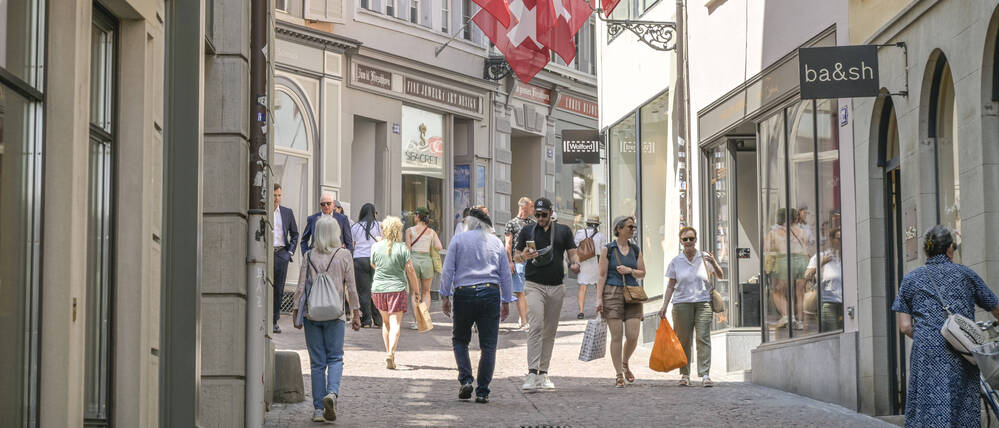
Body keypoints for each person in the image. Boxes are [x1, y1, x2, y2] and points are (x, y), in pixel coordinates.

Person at [892, 225, 999, 427]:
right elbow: (996, 307)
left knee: (926, 408)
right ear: (950, 248)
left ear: (926, 251)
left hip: (926, 354)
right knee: (964, 408)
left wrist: (928, 335)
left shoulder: (910, 280)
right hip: (961, 352)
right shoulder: (966, 274)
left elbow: (905, 326)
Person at [291, 216, 361, 423]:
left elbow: (301, 287)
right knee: (336, 358)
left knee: (317, 363)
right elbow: (352, 287)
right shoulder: (344, 255)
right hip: (336, 313)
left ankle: (318, 410)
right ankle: (332, 393)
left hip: (313, 314)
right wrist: (355, 313)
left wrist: (296, 311)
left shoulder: (309, 255)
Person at [440, 208, 514, 404]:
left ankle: (466, 379)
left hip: (464, 292)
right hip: (490, 292)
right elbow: (505, 274)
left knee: (460, 340)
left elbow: (448, 270)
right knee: (488, 345)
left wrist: (445, 295)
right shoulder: (496, 242)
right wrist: (506, 300)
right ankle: (483, 391)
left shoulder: (458, 240)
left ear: (469, 223)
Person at [513, 197, 581, 391]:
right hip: (534, 285)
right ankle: (532, 372)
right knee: (535, 326)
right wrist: (524, 256)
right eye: (538, 215)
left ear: (551, 213)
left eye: (544, 215)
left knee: (550, 331)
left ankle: (543, 373)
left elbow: (572, 252)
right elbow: (516, 256)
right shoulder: (528, 231)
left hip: (556, 286)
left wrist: (575, 263)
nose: (541, 218)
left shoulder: (563, 231)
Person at [659, 226, 723, 387]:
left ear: (696, 240)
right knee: (684, 340)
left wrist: (714, 262)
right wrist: (664, 306)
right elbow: (670, 286)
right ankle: (685, 374)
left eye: (691, 239)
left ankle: (705, 375)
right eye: (685, 239)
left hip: (703, 303)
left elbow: (720, 275)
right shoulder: (676, 261)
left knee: (703, 338)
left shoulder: (704, 257)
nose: (688, 242)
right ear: (681, 241)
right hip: (681, 304)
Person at [595, 216, 645, 388]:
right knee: (616, 335)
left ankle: (625, 362)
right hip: (612, 292)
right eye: (630, 227)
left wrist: (630, 270)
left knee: (632, 335)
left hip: (633, 293)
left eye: (634, 227)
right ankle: (618, 374)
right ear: (619, 228)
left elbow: (642, 272)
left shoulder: (636, 249)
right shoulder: (607, 249)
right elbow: (601, 275)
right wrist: (599, 298)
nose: (633, 229)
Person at [370, 216, 420, 369]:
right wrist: (416, 290)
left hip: (378, 289)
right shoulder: (402, 248)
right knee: (395, 323)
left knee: (386, 322)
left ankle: (388, 352)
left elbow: (373, 264)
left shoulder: (376, 247)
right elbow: (410, 270)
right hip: (397, 289)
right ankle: (391, 353)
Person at [405, 207, 443, 330]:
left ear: (417, 216)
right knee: (426, 292)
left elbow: (408, 249)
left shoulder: (409, 230)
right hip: (427, 262)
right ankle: (424, 321)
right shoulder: (431, 232)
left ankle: (417, 322)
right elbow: (439, 246)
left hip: (414, 261)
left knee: (415, 292)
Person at [272, 183, 299, 334]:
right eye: (274, 195)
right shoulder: (264, 212)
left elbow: (295, 234)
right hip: (266, 253)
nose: (277, 198)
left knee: (279, 289)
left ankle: (274, 321)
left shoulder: (287, 212)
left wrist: (290, 253)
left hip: (281, 253)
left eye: (279, 195)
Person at [805, 228, 843, 332]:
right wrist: (821, 263)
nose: (841, 242)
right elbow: (807, 275)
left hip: (846, 302)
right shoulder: (821, 256)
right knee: (833, 333)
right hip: (829, 302)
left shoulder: (846, 257)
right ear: (831, 239)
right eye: (838, 239)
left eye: (843, 239)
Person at [505, 197, 535, 330]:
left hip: (531, 261)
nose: (533, 209)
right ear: (524, 207)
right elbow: (508, 244)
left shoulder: (533, 223)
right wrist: (510, 262)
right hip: (518, 261)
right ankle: (523, 320)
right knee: (520, 291)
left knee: (529, 291)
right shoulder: (511, 223)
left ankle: (523, 315)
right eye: (532, 206)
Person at [351, 203, 383, 328]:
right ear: (374, 213)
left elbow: (352, 245)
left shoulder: (355, 227)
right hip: (376, 260)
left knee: (363, 291)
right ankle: (378, 320)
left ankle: (366, 321)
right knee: (376, 290)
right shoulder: (380, 226)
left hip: (359, 259)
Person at [574, 216, 604, 319]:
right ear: (597, 225)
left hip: (583, 262)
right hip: (595, 263)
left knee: (582, 288)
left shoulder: (579, 233)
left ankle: (581, 311)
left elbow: (575, 247)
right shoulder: (600, 235)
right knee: (598, 288)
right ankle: (600, 310)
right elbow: (603, 251)